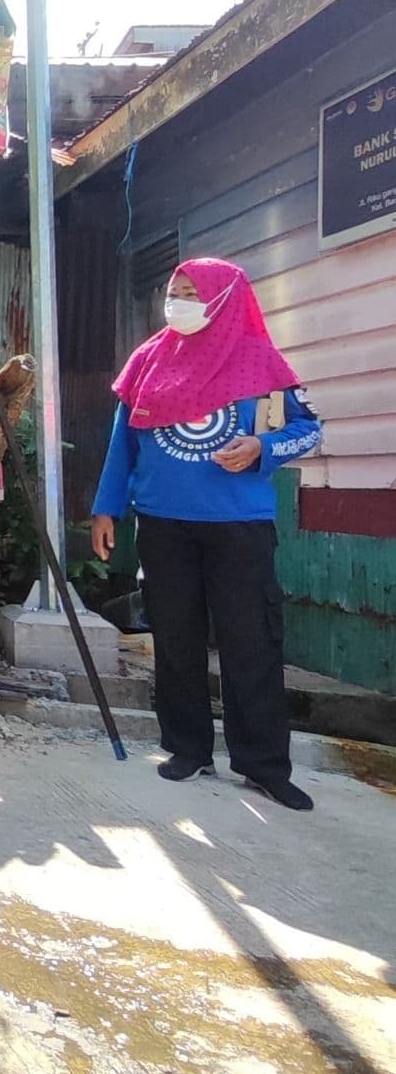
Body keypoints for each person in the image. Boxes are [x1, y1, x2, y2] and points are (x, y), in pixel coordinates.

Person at [91, 258, 321, 811]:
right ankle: (188, 748)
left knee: (252, 643)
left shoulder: (258, 361)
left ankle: (262, 764)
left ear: (223, 298)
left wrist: (261, 449)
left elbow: (306, 429)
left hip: (238, 527)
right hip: (164, 526)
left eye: (194, 292)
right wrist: (107, 509)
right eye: (176, 290)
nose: (181, 301)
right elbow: (123, 441)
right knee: (174, 640)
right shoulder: (149, 360)